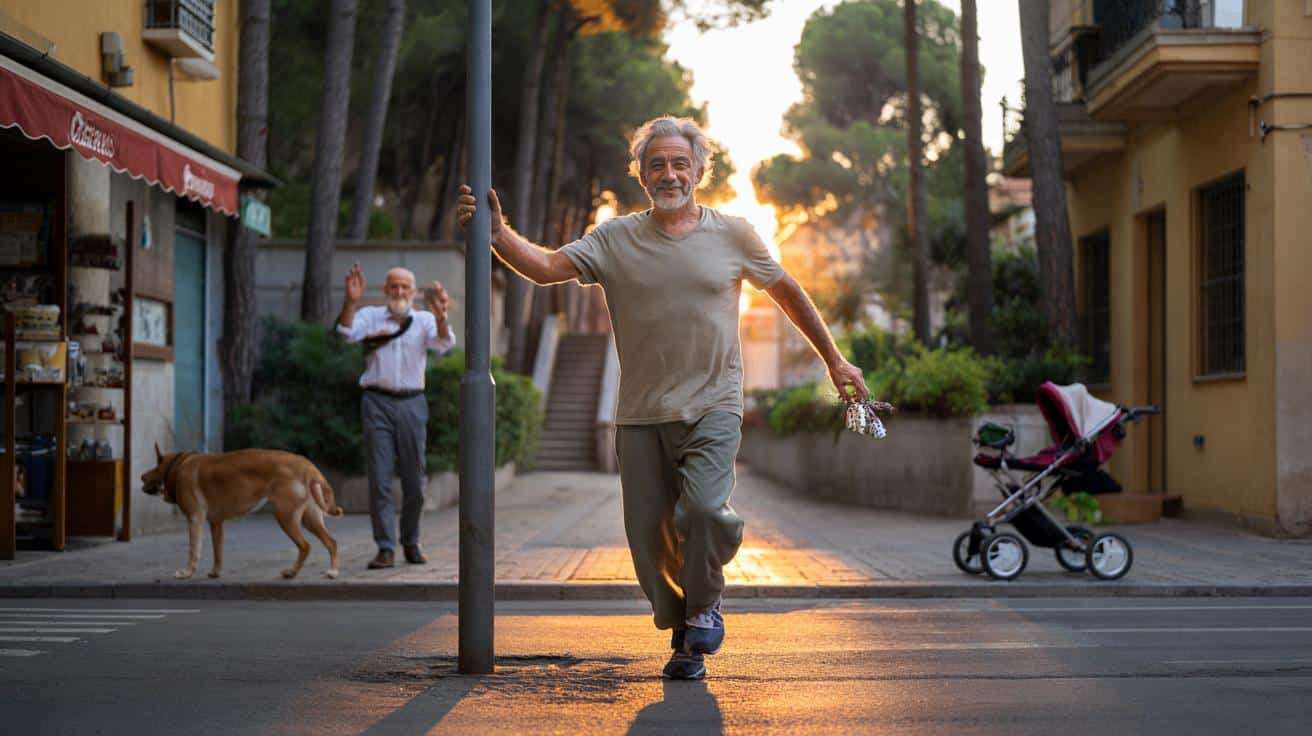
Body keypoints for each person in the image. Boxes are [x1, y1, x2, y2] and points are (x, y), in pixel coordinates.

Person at [457, 115, 870, 680]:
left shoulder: (735, 234)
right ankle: (684, 637)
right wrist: (497, 235)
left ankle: (704, 605)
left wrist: (835, 359)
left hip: (714, 405)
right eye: (657, 164)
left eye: (680, 163)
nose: (670, 173)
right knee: (650, 544)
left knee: (702, 511)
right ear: (642, 175)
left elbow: (788, 292)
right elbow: (549, 267)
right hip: (641, 413)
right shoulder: (614, 238)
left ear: (700, 170)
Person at [335, 264, 455, 570]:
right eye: (394, 286)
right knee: (380, 479)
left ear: (413, 293)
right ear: (386, 290)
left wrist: (441, 315)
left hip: (413, 403)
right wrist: (350, 301)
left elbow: (444, 343)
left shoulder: (425, 320)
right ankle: (385, 547)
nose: (399, 292)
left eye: (405, 287)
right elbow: (346, 333)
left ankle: (411, 541)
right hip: (377, 403)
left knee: (415, 482)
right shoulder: (371, 316)